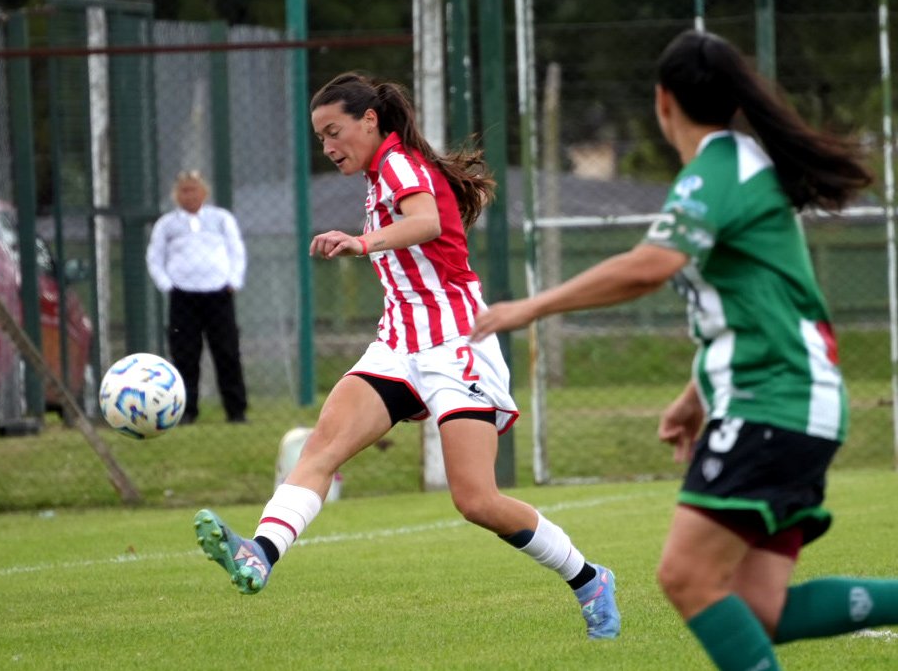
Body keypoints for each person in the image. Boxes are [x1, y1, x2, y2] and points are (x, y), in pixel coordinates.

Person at [471, 29, 898, 669]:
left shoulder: (718, 171)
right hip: (786, 398)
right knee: (761, 610)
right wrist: (696, 395)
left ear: (662, 100)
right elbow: (759, 306)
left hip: (774, 401)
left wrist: (529, 306)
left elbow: (650, 266)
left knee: (686, 575)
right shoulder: (736, 169)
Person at [192, 72, 620, 640]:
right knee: (321, 448)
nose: (328, 147)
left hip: (456, 344)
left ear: (370, 120)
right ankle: (260, 552)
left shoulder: (397, 163)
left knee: (476, 500)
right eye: (320, 138)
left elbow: (428, 222)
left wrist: (361, 241)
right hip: (397, 343)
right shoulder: (378, 176)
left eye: (334, 132)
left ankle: (589, 579)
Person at [146, 170, 248, 424]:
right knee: (185, 354)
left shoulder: (221, 219)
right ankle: (186, 411)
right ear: (176, 195)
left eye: (194, 190)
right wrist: (167, 284)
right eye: (184, 190)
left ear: (204, 192)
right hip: (183, 296)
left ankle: (236, 411)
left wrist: (233, 281)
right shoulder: (167, 224)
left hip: (218, 294)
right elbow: (155, 257)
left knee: (227, 352)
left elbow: (236, 250)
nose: (189, 195)